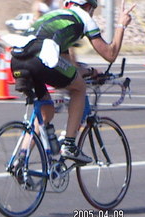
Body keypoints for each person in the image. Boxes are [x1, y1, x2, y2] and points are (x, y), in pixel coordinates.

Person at [11, 0, 135, 164]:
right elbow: (110, 54)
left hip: (17, 59)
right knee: (79, 89)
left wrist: (90, 71)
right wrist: (121, 25)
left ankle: (20, 161)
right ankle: (69, 145)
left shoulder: (57, 17)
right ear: (89, 7)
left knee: (46, 111)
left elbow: (68, 66)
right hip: (39, 58)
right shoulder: (84, 18)